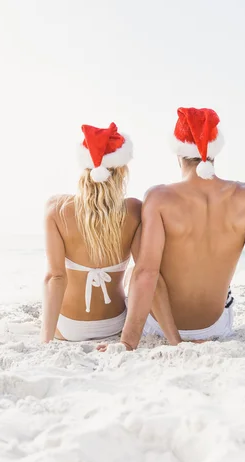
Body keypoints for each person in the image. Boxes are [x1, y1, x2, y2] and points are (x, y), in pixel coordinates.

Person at [110, 106, 245, 351]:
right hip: (215, 327)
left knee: (136, 271)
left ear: (178, 153)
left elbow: (147, 274)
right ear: (214, 152)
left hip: (159, 325)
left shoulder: (159, 197)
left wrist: (127, 343)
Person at [41, 122, 141, 343]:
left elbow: (55, 278)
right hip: (115, 324)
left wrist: (45, 340)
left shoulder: (57, 209)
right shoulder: (134, 210)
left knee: (49, 277)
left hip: (69, 328)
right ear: (122, 171)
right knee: (136, 272)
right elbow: (145, 273)